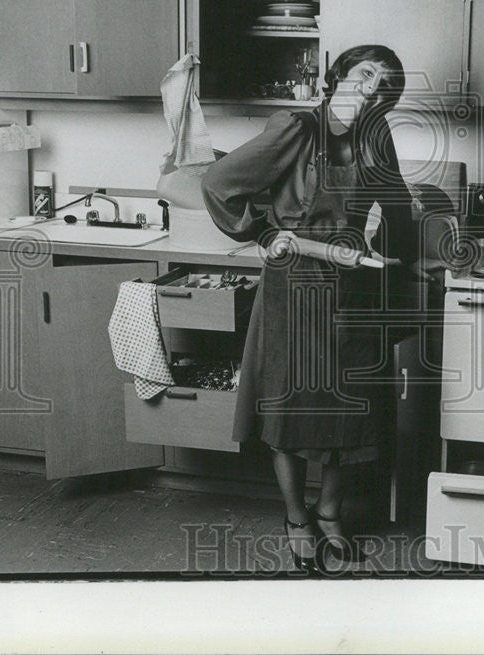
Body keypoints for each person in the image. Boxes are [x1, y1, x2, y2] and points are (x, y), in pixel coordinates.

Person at [202, 45, 418, 573]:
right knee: (290, 409)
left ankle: (329, 511)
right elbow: (218, 183)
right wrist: (264, 232)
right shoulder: (297, 128)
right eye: (368, 74)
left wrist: (397, 251)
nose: (374, 88)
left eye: (387, 87)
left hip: (354, 287)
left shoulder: (377, 139)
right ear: (340, 74)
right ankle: (297, 516)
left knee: (348, 410)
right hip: (296, 284)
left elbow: (396, 206)